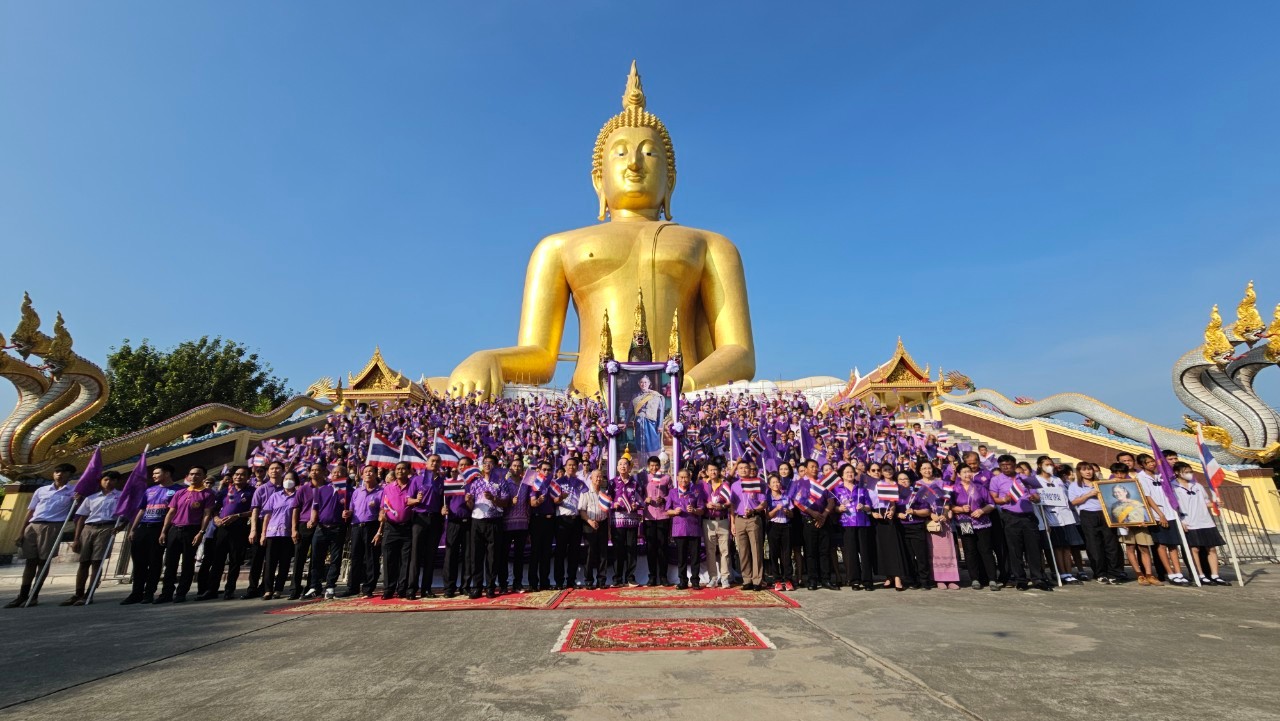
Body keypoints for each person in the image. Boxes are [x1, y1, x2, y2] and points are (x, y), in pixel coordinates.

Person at [989, 454, 1052, 591]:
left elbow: (1036, 496)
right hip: (1010, 517)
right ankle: (1021, 579)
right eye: (1002, 465)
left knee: (1034, 548)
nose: (1006, 467)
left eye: (1008, 464)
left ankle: (1038, 578)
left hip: (1028, 516)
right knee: (1014, 549)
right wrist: (1004, 499)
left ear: (1014, 464)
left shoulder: (1024, 478)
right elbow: (994, 498)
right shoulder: (996, 480)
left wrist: (1033, 497)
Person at [59, 470, 122, 606]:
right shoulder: (91, 498)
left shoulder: (121, 497)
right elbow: (82, 517)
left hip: (106, 527)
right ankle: (78, 593)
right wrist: (76, 538)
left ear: (117, 482)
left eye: (112, 480)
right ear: (101, 481)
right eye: (105, 479)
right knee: (83, 562)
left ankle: (89, 593)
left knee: (96, 562)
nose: (108, 482)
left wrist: (121, 527)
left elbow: (129, 513)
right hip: (88, 528)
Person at [122, 464, 182, 605]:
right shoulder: (150, 490)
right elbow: (142, 510)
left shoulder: (178, 490)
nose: (153, 476)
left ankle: (149, 593)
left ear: (167, 474)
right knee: (139, 562)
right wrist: (133, 529)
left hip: (160, 528)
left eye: (156, 473)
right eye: (153, 473)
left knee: (154, 562)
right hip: (143, 528)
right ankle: (136, 592)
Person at [155, 466, 215, 603]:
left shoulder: (207, 494)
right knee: (170, 563)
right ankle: (166, 593)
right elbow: (171, 513)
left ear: (204, 476)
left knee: (188, 563)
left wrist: (201, 532)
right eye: (192, 474)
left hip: (192, 530)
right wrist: (164, 531)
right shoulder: (180, 493)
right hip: (175, 529)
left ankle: (181, 592)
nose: (194, 477)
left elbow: (207, 514)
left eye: (198, 474)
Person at [196, 466, 252, 600]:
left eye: (242, 475)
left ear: (248, 477)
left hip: (239, 528)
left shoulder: (252, 492)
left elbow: (254, 510)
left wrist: (237, 516)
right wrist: (216, 519)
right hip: (222, 529)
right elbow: (215, 509)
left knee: (235, 561)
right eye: (236, 474)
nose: (239, 477)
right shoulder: (225, 491)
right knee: (217, 560)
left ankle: (229, 589)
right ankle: (211, 589)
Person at [1171, 462, 1230, 586]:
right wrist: (1181, 521)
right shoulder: (1173, 487)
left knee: (1212, 549)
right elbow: (1174, 507)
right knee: (1195, 549)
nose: (1189, 474)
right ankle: (1200, 574)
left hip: (1205, 521)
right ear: (1177, 472)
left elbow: (1206, 502)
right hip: (1189, 522)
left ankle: (1215, 575)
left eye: (1190, 471)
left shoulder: (1197, 486)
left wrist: (1216, 504)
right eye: (1186, 472)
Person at [1135, 454, 1188, 586]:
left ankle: (1178, 572)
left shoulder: (1160, 475)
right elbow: (1147, 497)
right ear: (1142, 465)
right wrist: (1160, 514)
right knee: (1161, 545)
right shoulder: (1141, 478)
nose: (1152, 464)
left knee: (1173, 545)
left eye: (1152, 461)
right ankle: (1169, 573)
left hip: (1171, 513)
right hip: (1157, 515)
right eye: (1148, 463)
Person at [466, 455, 514, 599]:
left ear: (495, 466)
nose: (487, 465)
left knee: (492, 557)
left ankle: (491, 587)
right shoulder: (475, 483)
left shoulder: (501, 482)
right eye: (485, 463)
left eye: (490, 463)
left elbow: (506, 503)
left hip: (494, 521)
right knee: (476, 556)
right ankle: (476, 587)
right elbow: (471, 505)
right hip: (477, 521)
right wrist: (468, 501)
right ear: (481, 465)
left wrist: (494, 498)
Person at [1069, 462, 1125, 584]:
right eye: (1084, 470)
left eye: (1090, 469)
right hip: (1088, 514)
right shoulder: (1074, 485)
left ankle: (1113, 573)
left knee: (1111, 544)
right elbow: (1073, 502)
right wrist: (1088, 494)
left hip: (1105, 513)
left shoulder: (1101, 483)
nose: (1088, 472)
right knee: (1094, 546)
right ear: (1079, 472)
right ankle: (1100, 573)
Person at [1107, 463, 1161, 586]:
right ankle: (1139, 574)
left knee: (1144, 548)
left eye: (1122, 473)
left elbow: (1145, 503)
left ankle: (1149, 574)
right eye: (1116, 473)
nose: (1119, 475)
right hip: (1125, 526)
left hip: (1141, 524)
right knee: (1130, 548)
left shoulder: (1136, 484)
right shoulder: (1110, 492)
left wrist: (1147, 520)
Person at [1035, 456, 1084, 585]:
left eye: (1051, 464)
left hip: (1065, 516)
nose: (1050, 466)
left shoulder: (1057, 480)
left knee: (1067, 546)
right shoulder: (1037, 480)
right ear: (1040, 465)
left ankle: (1069, 572)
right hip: (1051, 517)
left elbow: (1065, 497)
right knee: (1057, 547)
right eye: (1047, 464)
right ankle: (1062, 573)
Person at [951, 465, 999, 590]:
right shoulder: (954, 489)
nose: (967, 474)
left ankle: (992, 579)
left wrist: (982, 511)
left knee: (986, 550)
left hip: (982, 522)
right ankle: (975, 578)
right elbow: (949, 506)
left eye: (969, 471)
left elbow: (991, 504)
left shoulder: (980, 487)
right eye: (964, 472)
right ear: (959, 475)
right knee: (970, 551)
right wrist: (960, 509)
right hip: (965, 522)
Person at [242, 461, 284, 599]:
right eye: (271, 468)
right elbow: (255, 510)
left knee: (271, 558)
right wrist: (254, 529)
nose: (274, 471)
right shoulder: (262, 489)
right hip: (261, 523)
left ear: (283, 470)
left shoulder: (286, 488)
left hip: (278, 525)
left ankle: (266, 587)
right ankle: (252, 587)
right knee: (257, 558)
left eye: (277, 468)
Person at [307, 465, 349, 600]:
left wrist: (349, 512)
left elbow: (353, 507)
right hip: (321, 528)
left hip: (338, 528)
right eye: (334, 472)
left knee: (335, 559)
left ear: (345, 476)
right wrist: (312, 520)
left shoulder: (350, 491)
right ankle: (314, 586)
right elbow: (315, 508)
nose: (336, 475)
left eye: (339, 473)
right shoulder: (321, 490)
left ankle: (330, 586)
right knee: (316, 558)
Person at [407, 455, 445, 598]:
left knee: (431, 556)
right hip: (420, 519)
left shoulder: (442, 482)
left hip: (435, 520)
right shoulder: (417, 479)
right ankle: (411, 589)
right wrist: (416, 500)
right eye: (432, 461)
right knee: (416, 555)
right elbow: (408, 500)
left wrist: (443, 508)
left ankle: (426, 589)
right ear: (426, 464)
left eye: (437, 462)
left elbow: (444, 501)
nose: (435, 464)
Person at [796, 459, 837, 590]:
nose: (815, 469)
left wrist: (823, 516)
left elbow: (831, 501)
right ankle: (812, 580)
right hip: (809, 521)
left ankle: (826, 579)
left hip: (824, 521)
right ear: (806, 469)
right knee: (810, 552)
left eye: (816, 467)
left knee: (824, 551)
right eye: (812, 467)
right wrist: (813, 513)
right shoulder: (801, 484)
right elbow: (798, 502)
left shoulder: (824, 483)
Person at [258, 472, 299, 600]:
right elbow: (267, 515)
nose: (288, 481)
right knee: (270, 562)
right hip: (272, 532)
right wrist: (263, 534)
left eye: (290, 479)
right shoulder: (275, 496)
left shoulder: (297, 496)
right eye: (286, 478)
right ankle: (268, 589)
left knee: (285, 562)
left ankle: (279, 589)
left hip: (287, 533)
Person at [832, 464, 873, 591]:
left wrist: (864, 507)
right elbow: (833, 507)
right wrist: (839, 509)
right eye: (847, 472)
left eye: (851, 472)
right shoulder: (836, 490)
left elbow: (869, 506)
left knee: (865, 552)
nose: (850, 474)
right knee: (851, 552)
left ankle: (867, 580)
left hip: (862, 522)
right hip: (846, 524)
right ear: (842, 475)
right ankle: (854, 580)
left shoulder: (861, 488)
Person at [344, 465, 383, 598]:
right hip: (356, 526)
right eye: (365, 472)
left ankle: (368, 588)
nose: (368, 474)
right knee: (355, 557)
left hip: (371, 525)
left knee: (371, 558)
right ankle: (352, 587)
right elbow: (352, 509)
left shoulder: (381, 491)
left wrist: (380, 531)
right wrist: (347, 513)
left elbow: (383, 512)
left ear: (376, 474)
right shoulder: (357, 492)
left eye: (371, 471)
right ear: (361, 475)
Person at [287, 463, 323, 600]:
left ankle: (311, 587)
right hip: (303, 525)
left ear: (323, 472)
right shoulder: (303, 489)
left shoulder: (327, 488)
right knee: (299, 558)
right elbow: (296, 509)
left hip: (320, 525)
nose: (314, 472)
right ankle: (295, 588)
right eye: (312, 470)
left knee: (316, 558)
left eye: (317, 470)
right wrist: (294, 529)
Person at [379, 462, 415, 599]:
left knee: (406, 560)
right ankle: (388, 589)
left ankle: (402, 589)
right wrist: (381, 514)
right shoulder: (388, 487)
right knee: (389, 559)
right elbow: (383, 506)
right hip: (391, 527)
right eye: (397, 469)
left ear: (408, 471)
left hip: (408, 527)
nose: (400, 471)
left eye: (403, 469)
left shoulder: (413, 486)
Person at [729, 461, 767, 591]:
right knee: (743, 551)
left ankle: (757, 580)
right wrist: (732, 523)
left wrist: (755, 510)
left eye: (746, 467)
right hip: (739, 520)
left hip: (753, 519)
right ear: (737, 470)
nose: (743, 470)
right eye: (740, 468)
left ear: (750, 469)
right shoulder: (734, 485)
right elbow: (732, 505)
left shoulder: (758, 483)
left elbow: (763, 503)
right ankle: (747, 579)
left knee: (756, 550)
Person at [665, 468, 705, 589]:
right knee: (681, 557)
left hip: (693, 528)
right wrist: (674, 511)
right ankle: (682, 581)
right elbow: (667, 511)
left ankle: (695, 581)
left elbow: (702, 510)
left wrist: (694, 510)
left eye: (686, 477)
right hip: (679, 529)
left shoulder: (697, 492)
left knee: (695, 557)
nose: (683, 480)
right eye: (681, 477)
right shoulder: (672, 492)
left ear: (690, 478)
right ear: (677, 478)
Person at [442, 458, 475, 598]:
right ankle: (449, 587)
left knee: (468, 556)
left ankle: (465, 586)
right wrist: (443, 509)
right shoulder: (449, 483)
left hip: (469, 523)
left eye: (465, 465)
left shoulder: (473, 484)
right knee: (451, 556)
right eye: (460, 465)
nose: (462, 467)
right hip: (453, 523)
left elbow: (473, 507)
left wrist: (469, 502)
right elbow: (444, 503)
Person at [897, 470, 934, 590]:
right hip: (903, 527)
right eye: (900, 479)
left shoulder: (917, 492)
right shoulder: (895, 495)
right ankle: (913, 580)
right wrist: (898, 515)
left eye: (905, 479)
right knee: (909, 556)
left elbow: (927, 511)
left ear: (910, 481)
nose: (903, 481)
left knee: (921, 555)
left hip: (917, 526)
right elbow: (893, 510)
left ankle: (925, 581)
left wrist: (914, 512)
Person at [551, 462, 585, 590]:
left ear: (577, 468)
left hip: (576, 519)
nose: (571, 467)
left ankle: (571, 580)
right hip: (562, 520)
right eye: (569, 465)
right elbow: (553, 500)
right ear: (565, 467)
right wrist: (560, 498)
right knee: (560, 551)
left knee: (574, 552)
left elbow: (586, 495)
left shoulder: (580, 483)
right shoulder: (558, 482)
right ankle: (559, 581)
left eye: (574, 465)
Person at [609, 457, 642, 587]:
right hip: (617, 521)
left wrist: (636, 505)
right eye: (620, 464)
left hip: (632, 521)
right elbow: (607, 500)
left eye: (625, 464)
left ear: (630, 467)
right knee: (618, 550)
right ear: (617, 468)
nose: (623, 466)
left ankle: (630, 578)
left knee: (631, 549)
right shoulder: (612, 483)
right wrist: (614, 504)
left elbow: (641, 500)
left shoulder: (635, 484)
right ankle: (617, 579)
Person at [639, 456, 672, 586]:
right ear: (648, 466)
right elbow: (637, 494)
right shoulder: (644, 479)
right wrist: (644, 499)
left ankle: (663, 576)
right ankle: (652, 576)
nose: (654, 468)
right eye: (652, 466)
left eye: (656, 465)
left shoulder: (666, 478)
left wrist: (663, 499)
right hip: (649, 517)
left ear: (660, 465)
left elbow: (672, 494)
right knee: (651, 548)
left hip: (663, 516)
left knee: (663, 547)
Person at [701, 461, 733, 588]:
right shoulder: (703, 485)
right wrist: (705, 505)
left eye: (715, 470)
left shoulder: (724, 485)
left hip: (723, 520)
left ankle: (725, 578)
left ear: (718, 471)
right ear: (707, 472)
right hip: (708, 521)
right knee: (710, 551)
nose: (713, 472)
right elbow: (698, 501)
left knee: (725, 551)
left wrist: (722, 506)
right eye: (711, 470)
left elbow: (730, 503)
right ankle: (713, 577)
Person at [499, 457, 529, 594]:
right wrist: (510, 501)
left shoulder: (526, 484)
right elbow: (501, 502)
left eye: (519, 466)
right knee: (503, 556)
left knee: (519, 556)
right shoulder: (505, 483)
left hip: (522, 525)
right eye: (514, 466)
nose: (516, 468)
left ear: (522, 469)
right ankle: (503, 584)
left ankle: (518, 583)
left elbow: (529, 505)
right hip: (507, 525)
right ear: (511, 468)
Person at [526, 460, 556, 592]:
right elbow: (532, 503)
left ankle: (545, 582)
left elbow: (557, 501)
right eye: (544, 469)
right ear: (538, 470)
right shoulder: (535, 484)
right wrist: (538, 501)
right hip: (537, 521)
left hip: (550, 521)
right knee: (536, 552)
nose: (547, 472)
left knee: (546, 553)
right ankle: (533, 582)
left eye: (549, 469)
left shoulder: (553, 484)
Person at [579, 469, 611, 589]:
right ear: (591, 478)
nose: (598, 479)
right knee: (589, 553)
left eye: (600, 477)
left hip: (602, 524)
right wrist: (589, 521)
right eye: (596, 477)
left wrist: (608, 531)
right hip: (589, 524)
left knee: (603, 553)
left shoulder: (604, 493)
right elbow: (582, 511)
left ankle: (601, 580)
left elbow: (607, 514)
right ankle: (588, 580)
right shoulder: (585, 493)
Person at [764, 473, 795, 591]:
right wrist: (776, 509)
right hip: (773, 526)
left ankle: (788, 579)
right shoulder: (767, 498)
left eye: (778, 482)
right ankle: (776, 580)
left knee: (786, 554)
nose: (776, 484)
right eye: (773, 483)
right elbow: (767, 516)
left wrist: (788, 512)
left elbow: (792, 514)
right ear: (769, 485)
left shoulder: (786, 496)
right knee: (774, 553)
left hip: (786, 526)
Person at [629, 374, 665, 461]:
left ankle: (653, 465)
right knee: (640, 445)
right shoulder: (635, 396)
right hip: (639, 424)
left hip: (652, 424)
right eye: (641, 382)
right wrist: (626, 423)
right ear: (639, 383)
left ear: (649, 383)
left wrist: (660, 425)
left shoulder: (656, 395)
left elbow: (661, 411)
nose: (643, 384)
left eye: (645, 382)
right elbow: (630, 410)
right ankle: (642, 467)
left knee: (652, 444)